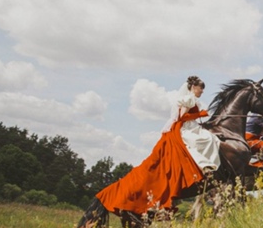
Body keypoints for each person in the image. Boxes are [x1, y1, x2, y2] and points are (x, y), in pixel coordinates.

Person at [93, 75, 220, 215]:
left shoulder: (193, 100)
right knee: (206, 139)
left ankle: (205, 165)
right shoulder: (187, 99)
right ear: (193, 87)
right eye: (200, 89)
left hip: (191, 126)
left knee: (210, 138)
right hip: (183, 128)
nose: (201, 92)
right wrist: (199, 114)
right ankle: (205, 166)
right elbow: (180, 117)